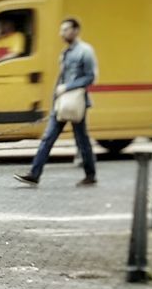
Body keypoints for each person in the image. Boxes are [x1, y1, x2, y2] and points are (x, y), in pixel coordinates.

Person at [15, 17, 98, 187]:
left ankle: (91, 175)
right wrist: (55, 99)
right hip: (61, 104)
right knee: (48, 138)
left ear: (75, 30)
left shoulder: (85, 51)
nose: (62, 33)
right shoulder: (65, 52)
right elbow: (61, 78)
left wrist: (68, 87)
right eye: (61, 30)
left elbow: (90, 77)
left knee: (82, 140)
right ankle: (34, 174)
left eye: (65, 29)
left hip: (76, 103)